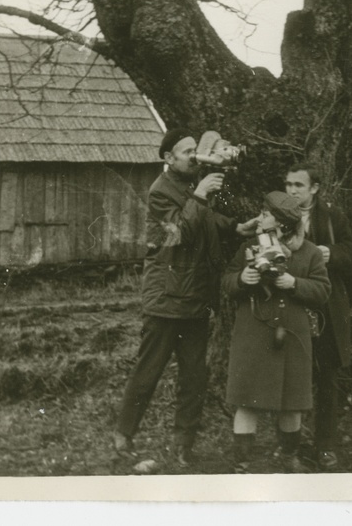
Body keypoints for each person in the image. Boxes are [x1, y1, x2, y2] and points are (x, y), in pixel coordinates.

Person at [113, 128, 257, 465]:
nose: (194, 156)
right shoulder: (160, 192)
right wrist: (201, 195)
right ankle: (123, 437)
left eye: (196, 150)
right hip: (166, 298)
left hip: (194, 296)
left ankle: (183, 446)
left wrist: (235, 228)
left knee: (194, 377)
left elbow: (206, 221)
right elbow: (181, 232)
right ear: (168, 158)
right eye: (186, 152)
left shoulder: (191, 186)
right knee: (148, 372)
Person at [223, 191, 331, 473]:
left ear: (282, 223)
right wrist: (241, 279)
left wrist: (294, 283)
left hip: (293, 336)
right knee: (247, 401)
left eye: (266, 214)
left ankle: (289, 458)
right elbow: (226, 282)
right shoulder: (249, 247)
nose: (261, 218)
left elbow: (323, 291)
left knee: (292, 403)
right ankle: (242, 463)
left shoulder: (309, 252)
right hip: (253, 334)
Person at [285, 163, 352, 470]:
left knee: (327, 376)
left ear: (314, 189)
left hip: (327, 308)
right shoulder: (278, 215)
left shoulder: (331, 217)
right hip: (289, 304)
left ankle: (325, 445)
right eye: (288, 184)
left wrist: (333, 254)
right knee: (291, 375)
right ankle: (289, 444)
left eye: (298, 186)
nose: (291, 191)